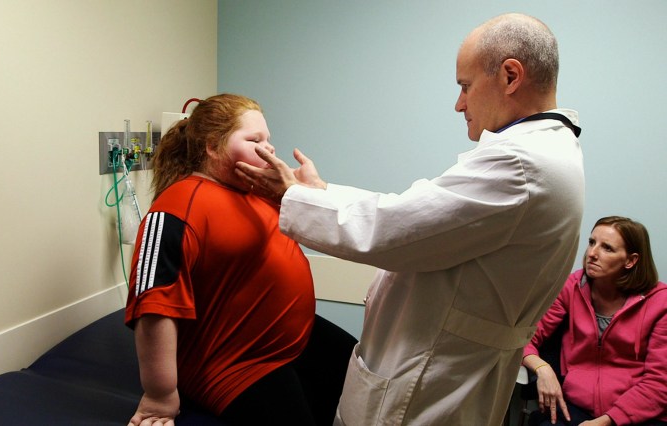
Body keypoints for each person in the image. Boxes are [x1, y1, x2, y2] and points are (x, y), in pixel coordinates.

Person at [235, 13, 585, 426]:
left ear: (511, 76)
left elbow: (394, 229)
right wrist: (321, 193)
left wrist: (289, 195)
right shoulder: (546, 153)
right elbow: (420, 210)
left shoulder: (521, 164)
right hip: (446, 370)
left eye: (465, 86)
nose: (459, 104)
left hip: (428, 384)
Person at [125, 93, 357, 426]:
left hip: (291, 340)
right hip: (238, 363)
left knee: (364, 376)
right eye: (254, 139)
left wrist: (308, 192)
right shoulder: (176, 207)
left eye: (269, 140)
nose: (270, 148)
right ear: (211, 146)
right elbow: (152, 304)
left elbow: (317, 227)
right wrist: (160, 396)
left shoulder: (257, 191)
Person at [523, 216, 667, 426]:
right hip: (575, 407)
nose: (592, 253)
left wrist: (606, 421)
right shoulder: (571, 288)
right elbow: (522, 338)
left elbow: (659, 383)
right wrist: (542, 368)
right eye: (592, 242)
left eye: (607, 248)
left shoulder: (660, 303)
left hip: (636, 414)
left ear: (631, 260)